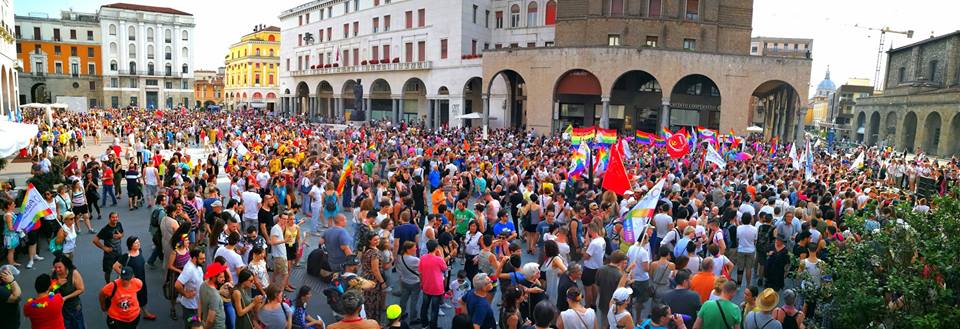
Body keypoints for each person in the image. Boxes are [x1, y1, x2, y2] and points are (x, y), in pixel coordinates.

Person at [112, 236, 157, 320]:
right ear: (130, 245)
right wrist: (125, 277)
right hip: (132, 282)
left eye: (138, 242)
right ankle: (132, 315)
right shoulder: (126, 256)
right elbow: (115, 266)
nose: (138, 244)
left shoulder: (139, 251)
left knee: (142, 295)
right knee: (132, 298)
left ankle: (145, 313)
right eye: (136, 243)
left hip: (141, 279)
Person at [419, 239, 449, 329]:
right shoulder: (438, 259)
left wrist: (421, 283)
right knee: (434, 308)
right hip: (437, 287)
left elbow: (420, 272)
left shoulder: (422, 258)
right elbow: (445, 268)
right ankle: (433, 326)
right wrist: (440, 255)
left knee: (424, 306)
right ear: (436, 248)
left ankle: (424, 324)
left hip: (426, 285)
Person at [175, 248, 206, 327]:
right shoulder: (189, 270)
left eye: (204, 258)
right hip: (190, 308)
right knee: (191, 325)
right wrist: (185, 294)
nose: (204, 260)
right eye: (202, 258)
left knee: (196, 323)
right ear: (195, 258)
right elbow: (177, 284)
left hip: (197, 305)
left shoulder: (197, 265)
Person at [360, 233, 386, 323]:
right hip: (373, 280)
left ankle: (367, 320)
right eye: (375, 240)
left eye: (378, 239)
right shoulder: (375, 253)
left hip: (365, 277)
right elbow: (375, 270)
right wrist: (382, 282)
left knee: (367, 301)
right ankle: (373, 322)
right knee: (373, 302)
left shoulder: (365, 249)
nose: (377, 241)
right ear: (369, 241)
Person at [93, 212, 125, 283]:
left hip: (119, 252)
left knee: (120, 267)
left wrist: (121, 236)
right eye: (113, 217)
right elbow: (95, 240)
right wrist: (104, 248)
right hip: (109, 255)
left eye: (116, 217)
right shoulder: (105, 229)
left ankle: (119, 280)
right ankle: (108, 284)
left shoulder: (119, 224)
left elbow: (122, 233)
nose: (115, 219)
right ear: (109, 218)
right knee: (108, 271)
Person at [396, 241, 421, 324]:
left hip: (404, 281)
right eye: (414, 247)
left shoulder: (400, 257)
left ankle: (401, 314)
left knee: (403, 299)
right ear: (408, 249)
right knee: (414, 301)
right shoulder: (415, 260)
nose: (416, 248)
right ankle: (413, 318)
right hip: (415, 282)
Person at [582, 223, 605, 309]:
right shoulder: (602, 240)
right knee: (595, 287)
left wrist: (585, 247)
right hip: (598, 267)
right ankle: (594, 304)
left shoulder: (594, 243)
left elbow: (586, 257)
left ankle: (587, 307)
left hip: (589, 268)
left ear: (590, 231)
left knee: (588, 289)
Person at [199, 262, 228, 329]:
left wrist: (199, 318)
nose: (223, 279)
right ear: (213, 277)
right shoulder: (215, 296)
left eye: (223, 276)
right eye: (221, 277)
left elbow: (200, 302)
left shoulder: (203, 284)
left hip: (204, 320)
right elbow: (210, 320)